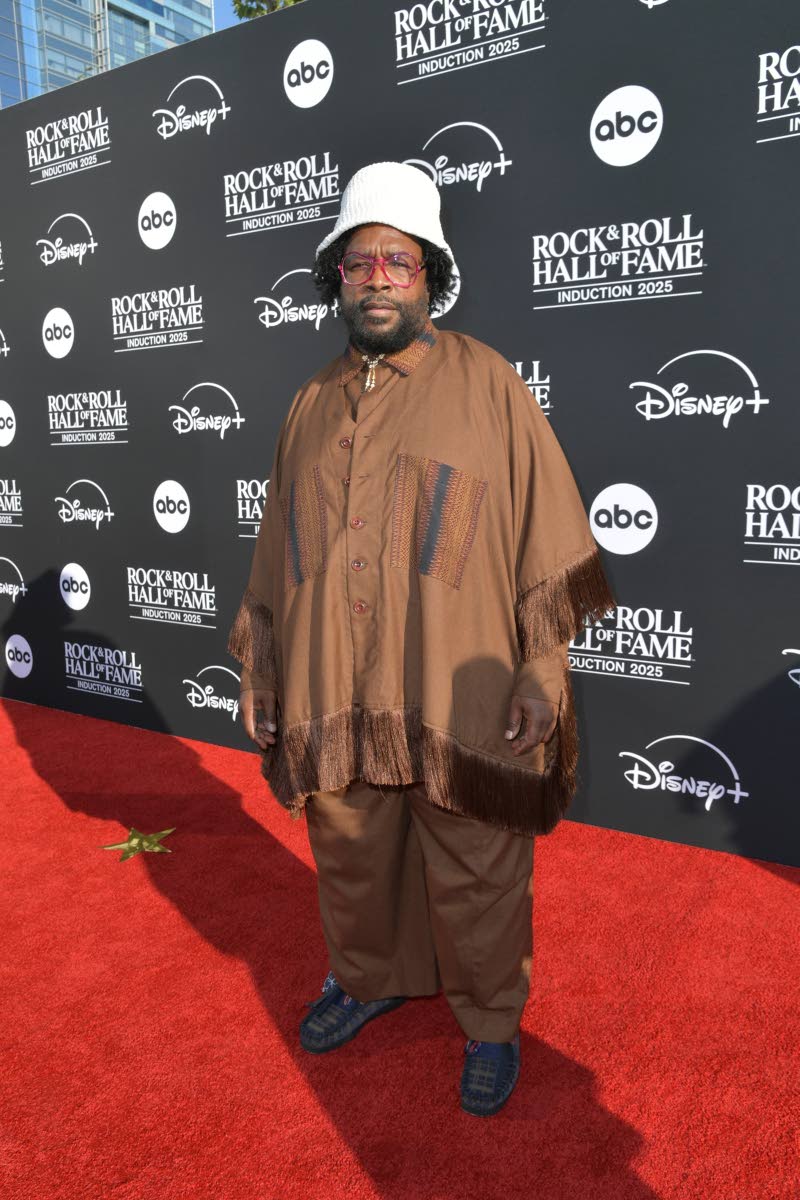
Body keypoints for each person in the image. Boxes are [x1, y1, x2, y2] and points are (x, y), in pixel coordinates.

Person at [227, 161, 616, 1117]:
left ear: (429, 274)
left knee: (479, 856)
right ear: (337, 280)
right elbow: (279, 550)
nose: (377, 279)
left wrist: (541, 667)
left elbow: (546, 536)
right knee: (352, 847)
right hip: (335, 682)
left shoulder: (487, 381)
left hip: (457, 683)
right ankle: (372, 977)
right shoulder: (309, 404)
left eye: (397, 261)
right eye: (358, 263)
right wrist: (266, 668)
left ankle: (489, 1020)